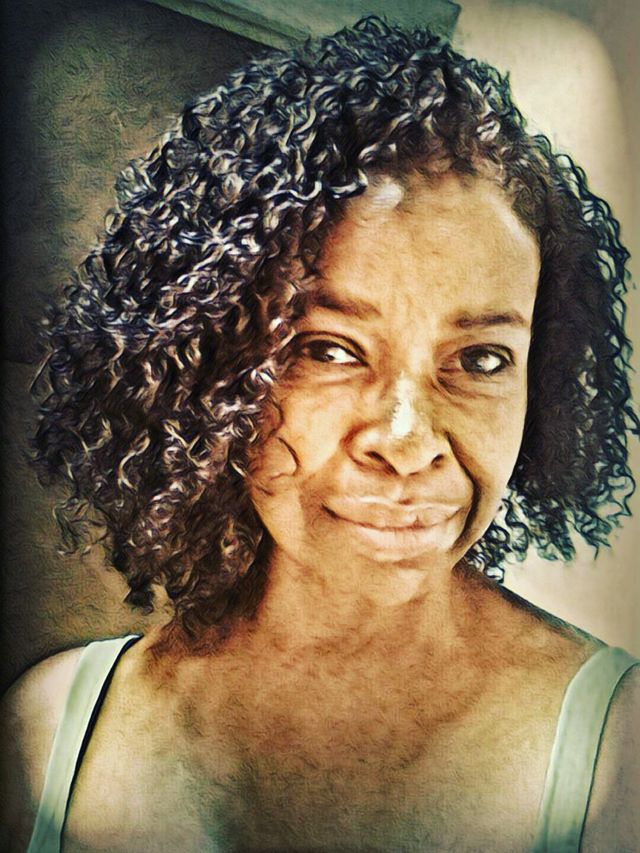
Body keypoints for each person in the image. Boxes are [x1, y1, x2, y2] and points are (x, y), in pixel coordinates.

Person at [2, 16, 638, 853]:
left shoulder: (620, 757)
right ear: (215, 368)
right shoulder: (47, 737)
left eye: (480, 359)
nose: (408, 441)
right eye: (327, 349)